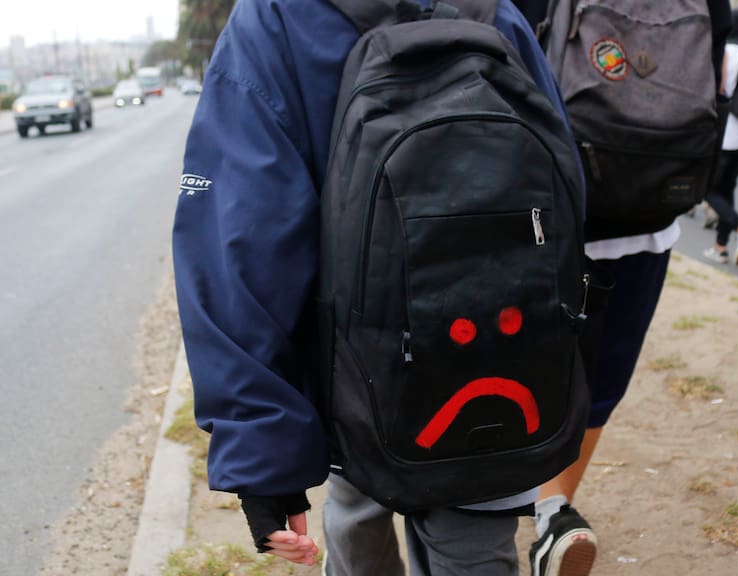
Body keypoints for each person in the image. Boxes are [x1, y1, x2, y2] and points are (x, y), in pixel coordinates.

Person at [172, 1, 582, 574]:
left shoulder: (275, 18)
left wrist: (264, 460)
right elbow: (565, 184)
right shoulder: (494, 11)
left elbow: (243, 242)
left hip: (352, 372)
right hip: (498, 353)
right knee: (475, 543)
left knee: (356, 513)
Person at [527, 2, 733, 576]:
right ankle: (553, 512)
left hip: (544, 205)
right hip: (651, 205)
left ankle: (490, 503)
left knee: (511, 359)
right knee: (601, 379)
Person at [703, 8, 738, 266]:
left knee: (707, 190)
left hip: (727, 134)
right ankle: (721, 247)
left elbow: (720, 88)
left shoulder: (728, 51)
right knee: (727, 189)